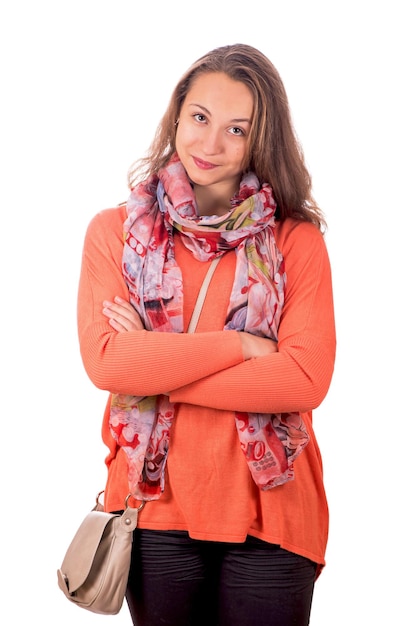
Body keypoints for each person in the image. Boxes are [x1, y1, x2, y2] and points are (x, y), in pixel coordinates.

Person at [77, 43, 336, 626]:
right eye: (199, 118)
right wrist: (241, 347)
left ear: (260, 140)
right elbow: (109, 365)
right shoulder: (114, 234)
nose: (209, 144)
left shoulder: (296, 242)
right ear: (177, 116)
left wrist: (157, 361)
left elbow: (303, 378)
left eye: (236, 129)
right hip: (154, 504)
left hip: (271, 510)